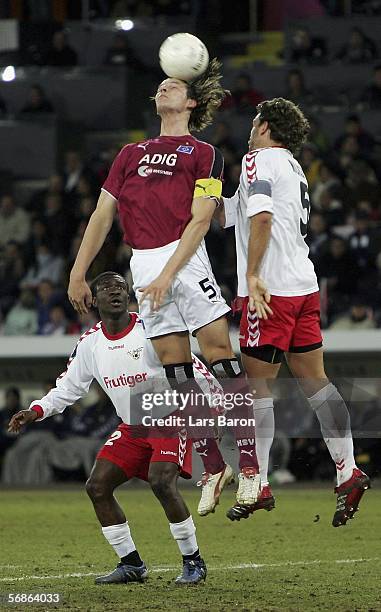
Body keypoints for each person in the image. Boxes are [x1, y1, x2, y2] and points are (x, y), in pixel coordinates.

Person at [67, 60, 261, 517]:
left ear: (192, 102)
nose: (165, 87)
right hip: (144, 262)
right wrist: (78, 272)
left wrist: (169, 274)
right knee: (176, 373)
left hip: (184, 259)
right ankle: (213, 466)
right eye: (161, 84)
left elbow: (199, 220)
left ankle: (250, 467)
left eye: (175, 84)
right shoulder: (129, 154)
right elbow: (101, 216)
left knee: (221, 358)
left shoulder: (203, 152)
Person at [8, 271, 213, 585]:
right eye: (105, 287)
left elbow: (190, 367)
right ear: (93, 298)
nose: (114, 292)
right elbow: (68, 388)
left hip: (168, 420)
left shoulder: (151, 330)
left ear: (128, 295)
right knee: (97, 486)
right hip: (132, 426)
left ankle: (193, 561)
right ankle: (131, 564)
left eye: (120, 287)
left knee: (161, 482)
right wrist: (36, 411)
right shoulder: (90, 344)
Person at [220, 97, 370, 525]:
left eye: (254, 120)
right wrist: (203, 184)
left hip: (269, 289)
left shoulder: (257, 160)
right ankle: (347, 470)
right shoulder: (292, 167)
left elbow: (261, 219)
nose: (250, 127)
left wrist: (251, 276)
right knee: (318, 384)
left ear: (265, 125)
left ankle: (259, 482)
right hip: (303, 286)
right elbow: (232, 215)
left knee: (256, 390)